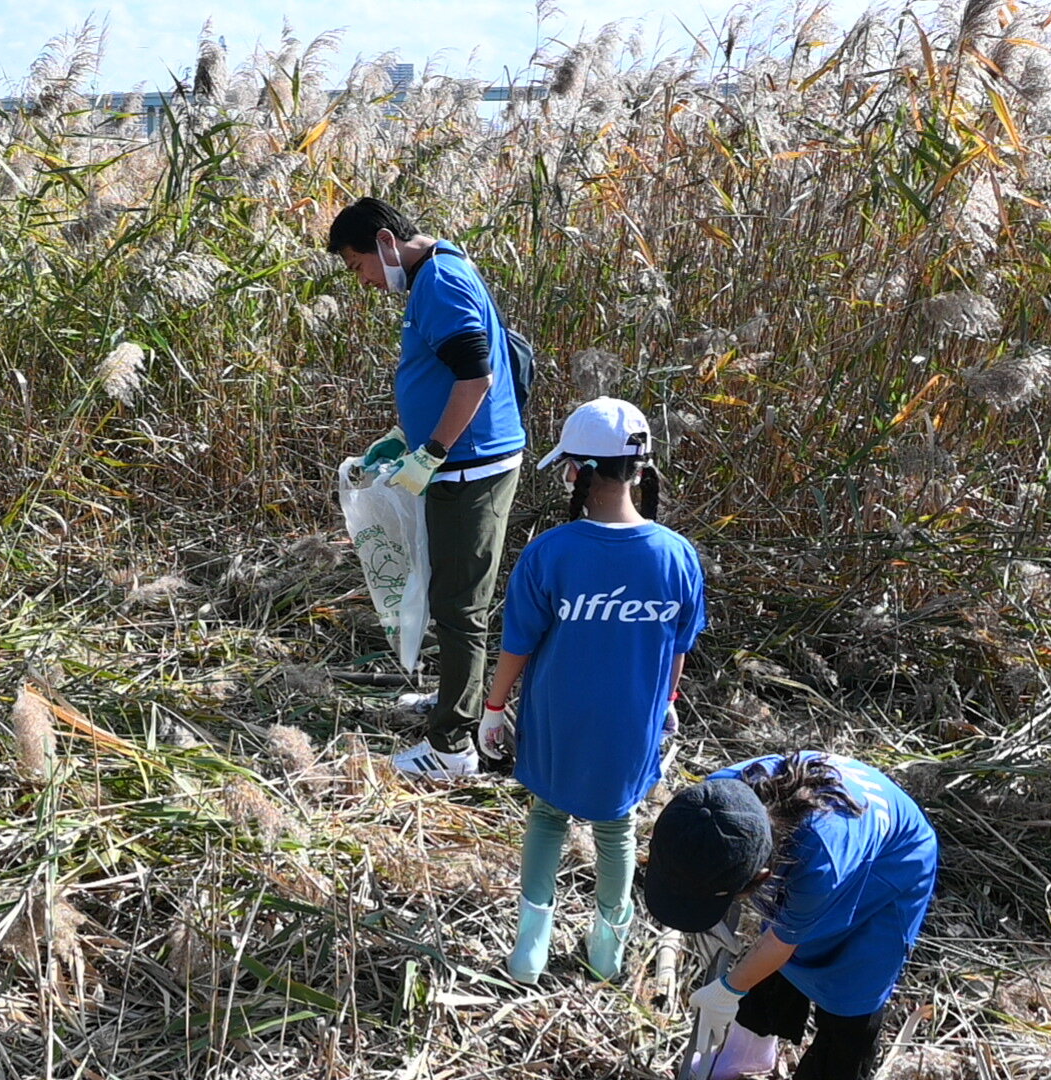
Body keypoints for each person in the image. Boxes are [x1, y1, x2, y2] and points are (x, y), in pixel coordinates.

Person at [478, 397, 703, 983]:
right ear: (642, 470)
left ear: (575, 470)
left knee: (548, 816)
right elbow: (678, 648)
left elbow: (518, 645)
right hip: (633, 722)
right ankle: (608, 949)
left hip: (557, 717)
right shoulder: (678, 556)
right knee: (617, 826)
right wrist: (668, 707)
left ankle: (530, 948)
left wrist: (494, 708)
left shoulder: (551, 552)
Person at [327, 197, 528, 779]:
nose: (363, 280)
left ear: (387, 242)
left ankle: (452, 747)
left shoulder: (438, 280)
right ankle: (452, 699)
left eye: (358, 264)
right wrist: (405, 437)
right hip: (458, 463)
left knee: (461, 606)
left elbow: (477, 375)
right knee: (447, 590)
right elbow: (445, 374)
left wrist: (433, 451)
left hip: (471, 467)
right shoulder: (433, 274)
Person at [646, 752, 939, 1080]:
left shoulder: (817, 864)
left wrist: (727, 990)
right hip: (826, 840)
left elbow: (781, 943)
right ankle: (747, 1050)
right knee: (776, 945)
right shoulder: (714, 801)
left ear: (761, 877)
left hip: (895, 863)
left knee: (855, 988)